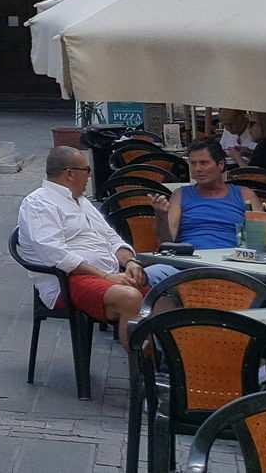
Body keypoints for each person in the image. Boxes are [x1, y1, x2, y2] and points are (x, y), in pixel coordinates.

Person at [18, 146, 170, 343]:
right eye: (87, 170)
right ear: (70, 173)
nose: (90, 176)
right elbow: (57, 255)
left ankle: (165, 363)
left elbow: (112, 238)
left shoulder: (81, 201)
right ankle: (141, 368)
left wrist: (131, 262)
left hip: (107, 275)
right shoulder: (38, 203)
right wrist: (106, 276)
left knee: (166, 297)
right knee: (130, 298)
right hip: (66, 281)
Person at [152, 139, 261, 251]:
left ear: (220, 164)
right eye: (193, 163)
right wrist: (161, 216)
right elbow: (166, 242)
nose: (197, 169)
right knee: (146, 270)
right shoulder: (180, 195)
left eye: (204, 163)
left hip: (232, 262)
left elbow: (261, 240)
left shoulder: (245, 195)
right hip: (187, 262)